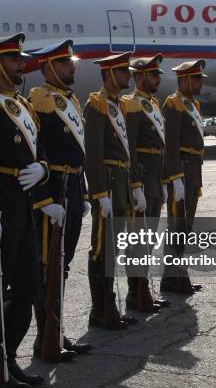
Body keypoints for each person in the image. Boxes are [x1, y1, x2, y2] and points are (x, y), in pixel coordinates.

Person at [0, 33, 50, 386]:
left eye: (20, 59)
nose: (21, 64)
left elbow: (41, 152)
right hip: (1, 209)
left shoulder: (24, 105)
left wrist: (44, 170)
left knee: (27, 290)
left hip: (26, 206)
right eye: (13, 59)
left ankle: (8, 358)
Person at [28, 40, 93, 361]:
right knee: (48, 265)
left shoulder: (69, 101)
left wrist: (84, 192)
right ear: (49, 67)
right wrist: (43, 199)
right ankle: (46, 336)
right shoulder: (40, 100)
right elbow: (36, 153)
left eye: (72, 62)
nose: (73, 67)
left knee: (62, 265)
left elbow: (77, 153)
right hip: (54, 188)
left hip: (73, 187)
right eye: (67, 63)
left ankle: (57, 330)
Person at [84, 52, 137, 330]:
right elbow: (92, 154)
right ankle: (99, 308)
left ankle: (110, 307)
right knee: (101, 250)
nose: (128, 76)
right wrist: (99, 193)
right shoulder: (97, 105)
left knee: (114, 249)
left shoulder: (118, 106)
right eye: (123, 72)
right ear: (109, 75)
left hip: (121, 186)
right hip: (108, 186)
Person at [120, 54, 170, 312]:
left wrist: (162, 180)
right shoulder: (131, 104)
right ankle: (135, 294)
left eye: (157, 74)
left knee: (148, 239)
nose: (157, 79)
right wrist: (135, 183)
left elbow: (159, 146)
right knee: (138, 239)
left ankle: (144, 291)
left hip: (154, 177)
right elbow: (130, 147)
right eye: (152, 74)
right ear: (138, 77)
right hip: (142, 176)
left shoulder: (153, 103)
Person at [160, 60, 206, 295]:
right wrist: (175, 175)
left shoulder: (193, 105)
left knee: (185, 226)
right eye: (197, 78)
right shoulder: (174, 103)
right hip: (183, 170)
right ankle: (173, 278)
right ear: (185, 80)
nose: (200, 82)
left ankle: (176, 275)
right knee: (177, 225)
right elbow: (171, 143)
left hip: (193, 170)